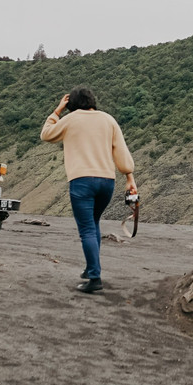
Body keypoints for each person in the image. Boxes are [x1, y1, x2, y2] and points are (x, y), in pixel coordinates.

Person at [41, 87, 138, 294]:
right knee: (93, 224)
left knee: (86, 229)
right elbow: (121, 150)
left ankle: (94, 277)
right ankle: (90, 268)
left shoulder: (71, 119)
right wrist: (129, 177)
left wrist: (57, 112)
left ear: (71, 105)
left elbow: (46, 135)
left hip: (82, 181)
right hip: (106, 182)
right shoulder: (108, 120)